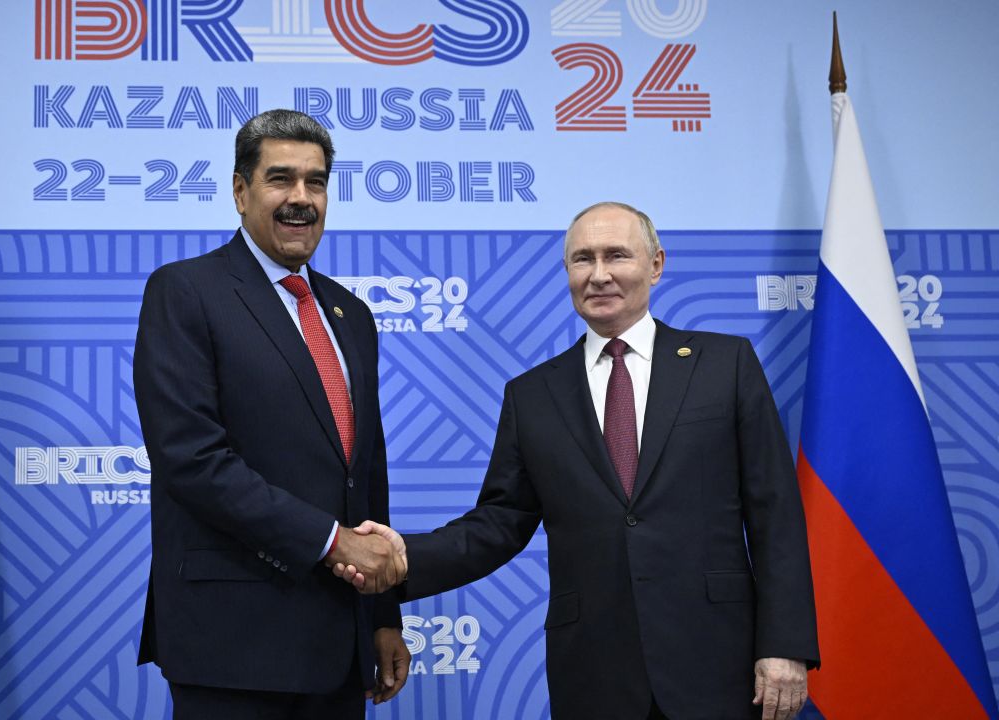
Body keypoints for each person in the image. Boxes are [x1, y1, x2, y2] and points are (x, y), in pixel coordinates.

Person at [338, 202, 819, 720]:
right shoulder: (533, 396)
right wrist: (406, 557)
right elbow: (499, 524)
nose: (599, 274)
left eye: (617, 256)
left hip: (719, 665)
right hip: (595, 673)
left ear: (656, 264)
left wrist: (785, 644)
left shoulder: (726, 365)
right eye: (582, 259)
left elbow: (776, 514)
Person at [134, 109, 409, 719]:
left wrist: (383, 616)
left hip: (339, 640)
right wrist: (332, 540)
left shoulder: (350, 314)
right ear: (240, 190)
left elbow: (365, 476)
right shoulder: (185, 292)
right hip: (233, 642)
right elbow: (192, 460)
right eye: (280, 179)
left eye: (316, 182)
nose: (300, 199)